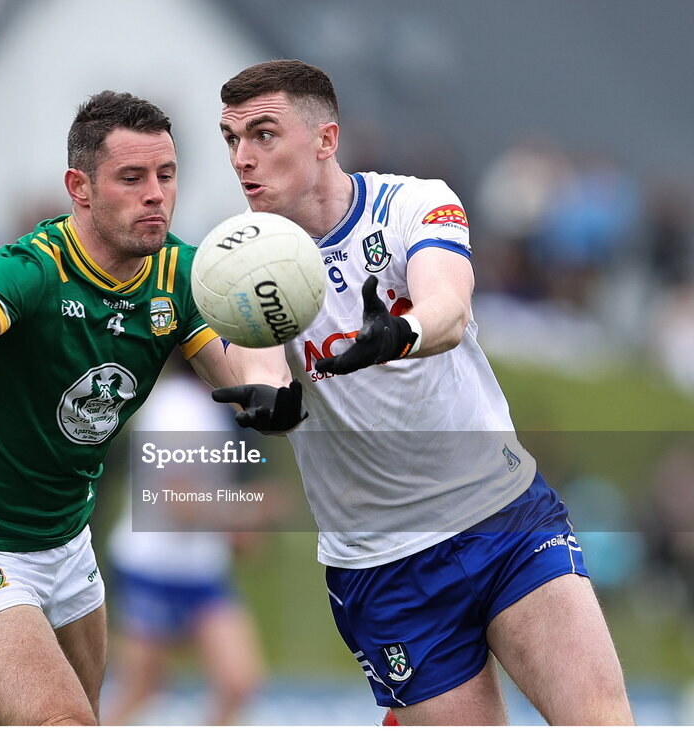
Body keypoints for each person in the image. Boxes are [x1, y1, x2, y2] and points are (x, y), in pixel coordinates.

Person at [0, 90, 304, 725]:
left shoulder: (182, 275)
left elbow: (243, 375)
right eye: (131, 178)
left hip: (66, 545)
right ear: (79, 187)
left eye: (166, 175)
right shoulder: (31, 270)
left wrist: (275, 385)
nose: (156, 194)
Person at [212, 60, 634, 725]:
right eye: (231, 140)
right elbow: (260, 363)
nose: (243, 158)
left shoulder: (411, 202)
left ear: (325, 139)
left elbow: (449, 306)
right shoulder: (242, 255)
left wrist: (397, 333)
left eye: (263, 134)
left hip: (502, 515)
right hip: (385, 568)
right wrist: (268, 398)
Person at [103, 360, 266, 726]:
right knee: (141, 688)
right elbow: (177, 501)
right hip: (150, 567)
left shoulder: (210, 405)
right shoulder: (176, 407)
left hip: (200, 569)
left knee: (238, 682)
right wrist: (243, 515)